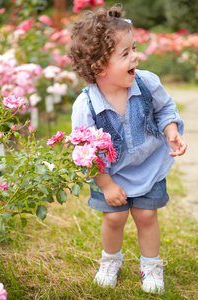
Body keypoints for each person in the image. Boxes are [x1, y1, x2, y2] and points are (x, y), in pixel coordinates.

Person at [68, 5, 187, 294]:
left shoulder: (146, 83)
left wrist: (171, 130)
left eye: (134, 48)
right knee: (114, 217)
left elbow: (165, 109)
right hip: (110, 174)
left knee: (147, 216)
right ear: (99, 68)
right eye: (126, 54)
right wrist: (106, 184)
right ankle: (111, 261)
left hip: (149, 165)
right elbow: (85, 153)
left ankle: (151, 265)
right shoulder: (87, 106)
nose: (136, 56)